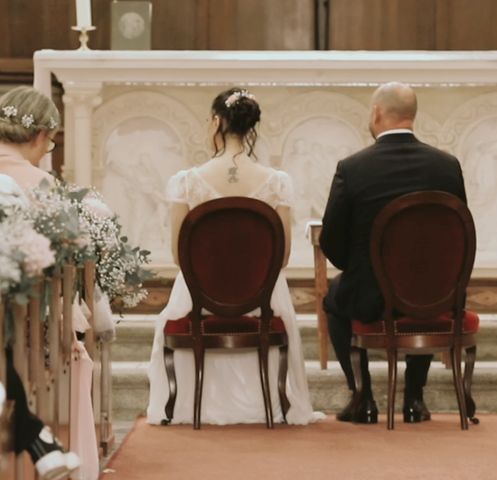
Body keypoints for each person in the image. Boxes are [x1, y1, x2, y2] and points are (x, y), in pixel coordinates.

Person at [146, 87, 323, 426]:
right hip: (261, 297)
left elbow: (178, 254)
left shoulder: (186, 183)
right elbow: (282, 256)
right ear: (251, 128)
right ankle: (270, 405)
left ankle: (188, 405)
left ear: (215, 122)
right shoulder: (276, 182)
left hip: (201, 296)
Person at [320, 82, 467, 424]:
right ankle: (414, 399)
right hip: (435, 295)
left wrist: (357, 269)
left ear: (376, 113)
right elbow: (457, 233)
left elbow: (331, 237)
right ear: (413, 116)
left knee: (334, 299)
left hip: (371, 297)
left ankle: (363, 396)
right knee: (425, 289)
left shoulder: (353, 168)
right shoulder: (447, 166)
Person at [0, 86, 81, 479]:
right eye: (49, 144)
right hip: (26, 319)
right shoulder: (40, 184)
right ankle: (39, 440)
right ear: (38, 136)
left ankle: (38, 440)